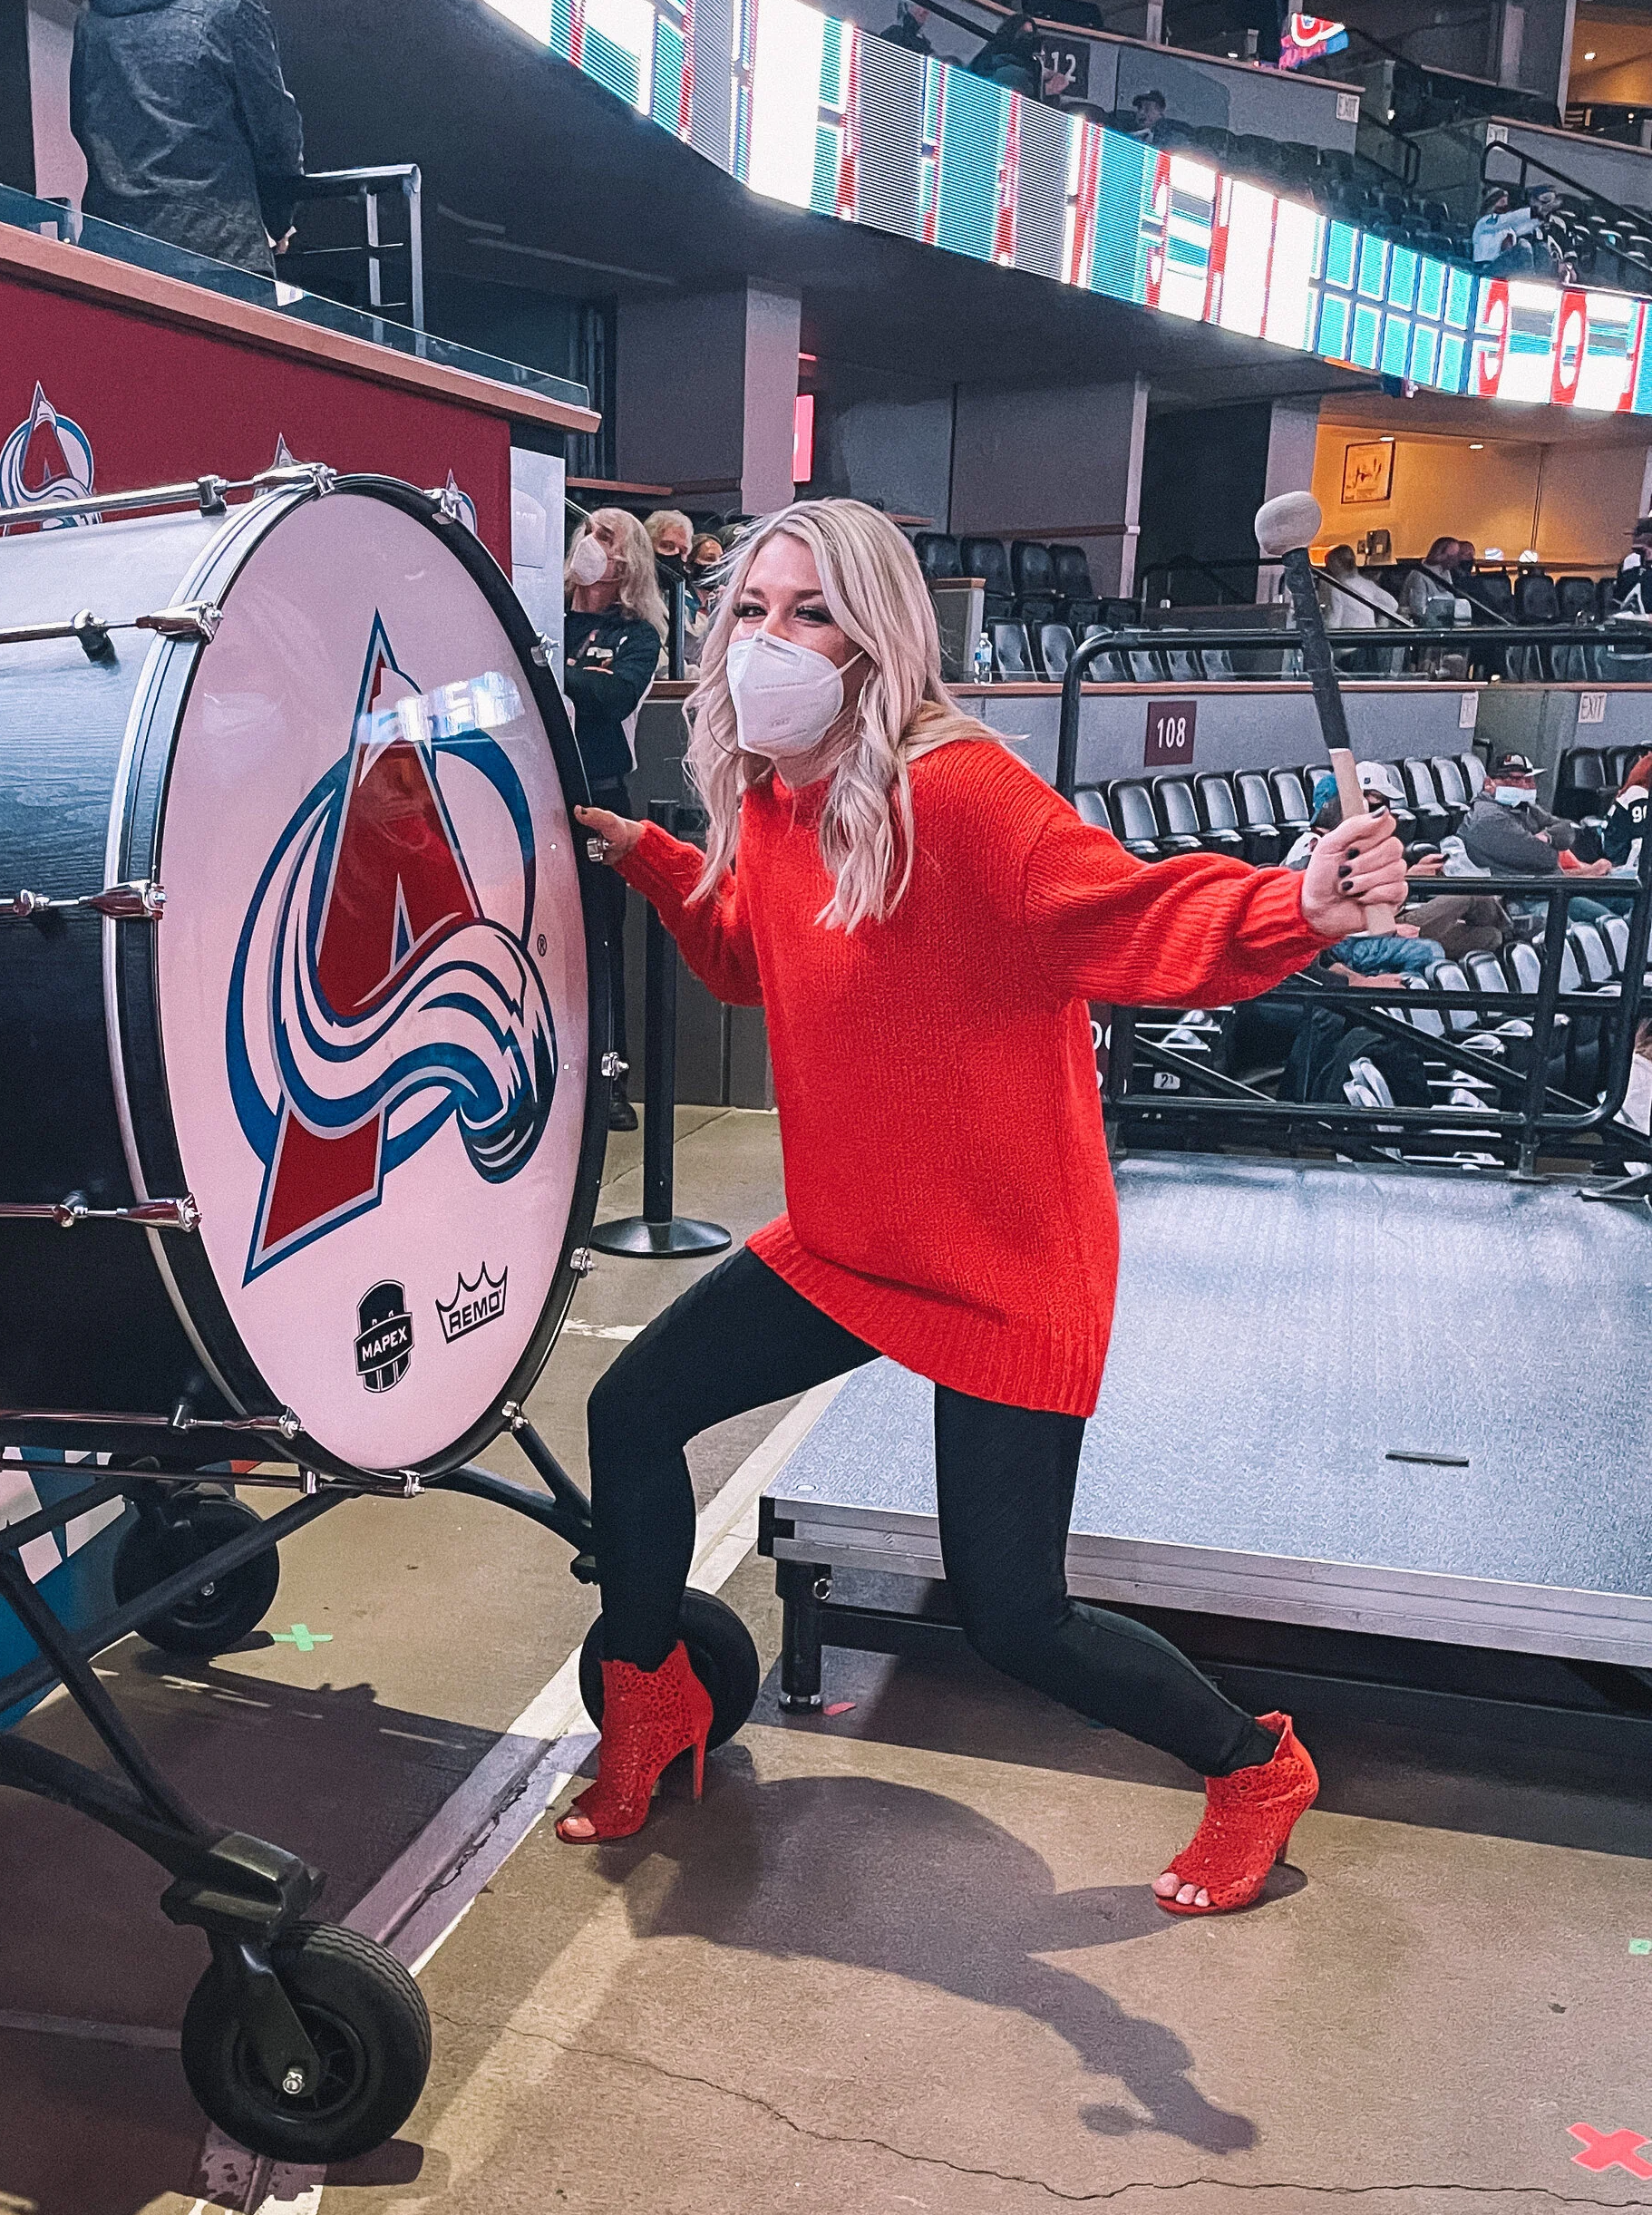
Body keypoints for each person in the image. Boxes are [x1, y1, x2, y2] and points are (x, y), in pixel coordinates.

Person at [566, 499, 1408, 1912]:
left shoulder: (958, 793)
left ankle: (1255, 1764)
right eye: (754, 608)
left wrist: (1299, 907)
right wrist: (656, 856)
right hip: (853, 1240)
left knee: (1017, 1618)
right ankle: (652, 1704)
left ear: (879, 633)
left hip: (1006, 1258)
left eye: (812, 612)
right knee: (632, 1413)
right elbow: (748, 965)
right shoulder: (773, 796)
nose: (772, 639)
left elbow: (1135, 916)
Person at [71, 0, 305, 284]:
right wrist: (278, 218)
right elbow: (275, 133)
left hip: (114, 256)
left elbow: (84, 122)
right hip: (216, 260)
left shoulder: (97, 6)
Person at [566, 509, 667, 1133]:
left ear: (629, 559)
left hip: (601, 801)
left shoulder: (638, 635)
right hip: (542, 794)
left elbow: (613, 697)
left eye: (605, 536)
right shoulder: (546, 618)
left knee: (602, 941)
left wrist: (560, 674)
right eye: (587, 532)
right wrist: (580, 677)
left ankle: (611, 1079)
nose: (590, 543)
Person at [646, 509, 698, 668]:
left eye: (683, 550)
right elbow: (657, 663)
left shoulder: (680, 595)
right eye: (667, 546)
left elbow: (693, 648)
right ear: (647, 548)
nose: (675, 554)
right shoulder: (633, 598)